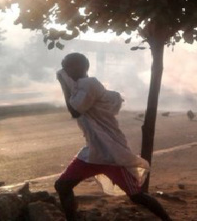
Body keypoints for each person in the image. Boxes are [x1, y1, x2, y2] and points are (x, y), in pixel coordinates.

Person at [54, 53, 172, 221]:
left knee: (136, 195)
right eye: (64, 66)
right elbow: (76, 100)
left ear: (82, 67)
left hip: (111, 154)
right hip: (93, 153)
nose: (65, 70)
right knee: (62, 186)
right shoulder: (81, 86)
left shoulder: (89, 84)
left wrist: (62, 84)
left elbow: (75, 110)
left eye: (68, 66)